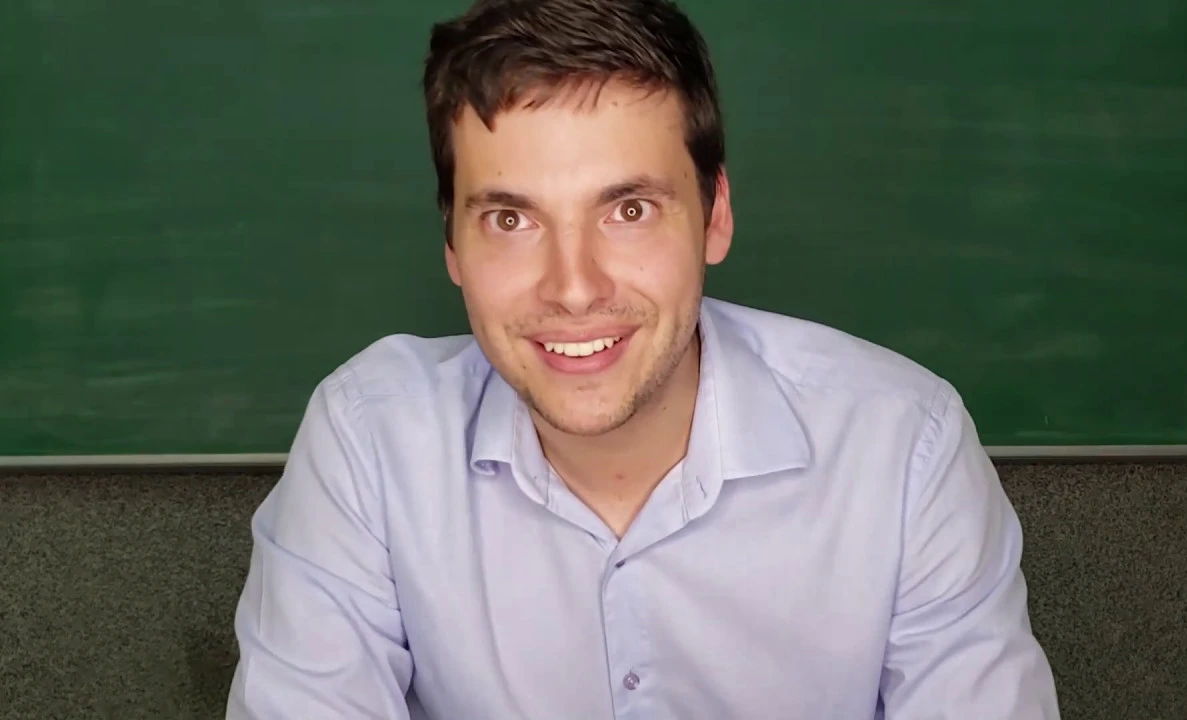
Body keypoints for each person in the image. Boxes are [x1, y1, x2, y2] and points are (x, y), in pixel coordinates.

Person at [225, 0, 1060, 717]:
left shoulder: (904, 449)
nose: (574, 288)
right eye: (511, 220)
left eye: (628, 210)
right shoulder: (369, 442)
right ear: (451, 244)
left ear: (715, 215)